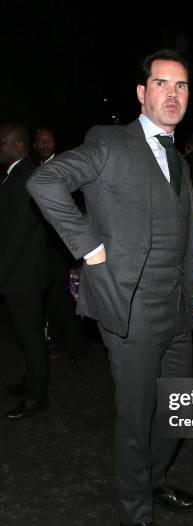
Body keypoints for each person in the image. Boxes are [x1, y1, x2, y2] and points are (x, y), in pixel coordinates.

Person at [27, 49, 193, 526]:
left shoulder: (178, 157)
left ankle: (150, 483)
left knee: (178, 408)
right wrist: (88, 246)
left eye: (181, 86)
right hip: (130, 305)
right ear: (141, 92)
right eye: (162, 84)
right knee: (136, 417)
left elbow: (187, 221)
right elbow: (44, 182)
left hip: (178, 304)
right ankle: (134, 516)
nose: (173, 94)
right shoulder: (108, 142)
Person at [0, 123, 50, 419]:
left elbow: (19, 233)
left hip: (24, 275)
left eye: (2, 141)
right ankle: (30, 381)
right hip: (19, 272)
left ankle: (37, 395)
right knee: (24, 334)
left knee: (31, 336)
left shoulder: (26, 176)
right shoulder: (14, 174)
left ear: (18, 146)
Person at [33, 128, 82, 363]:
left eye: (48, 139)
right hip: (40, 244)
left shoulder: (65, 167)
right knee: (50, 294)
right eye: (40, 141)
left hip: (62, 244)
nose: (44, 144)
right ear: (34, 145)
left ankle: (73, 343)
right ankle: (57, 339)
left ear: (55, 142)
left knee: (64, 294)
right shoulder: (32, 170)